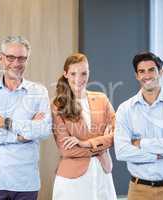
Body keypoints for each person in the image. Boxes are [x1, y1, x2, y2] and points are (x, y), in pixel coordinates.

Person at [0, 35, 52, 200]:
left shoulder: (39, 91)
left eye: (22, 58)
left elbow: (43, 130)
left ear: (27, 60)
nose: (16, 63)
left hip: (26, 180)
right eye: (11, 58)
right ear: (1, 59)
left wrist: (7, 122)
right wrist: (21, 136)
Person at [114, 52, 163, 200]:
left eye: (151, 70)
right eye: (142, 71)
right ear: (136, 75)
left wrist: (140, 143)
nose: (147, 75)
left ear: (160, 72)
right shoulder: (125, 109)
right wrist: (160, 153)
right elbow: (122, 151)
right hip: (138, 191)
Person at [52, 53, 117, 200]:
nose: (79, 79)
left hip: (103, 173)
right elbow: (66, 150)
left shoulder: (102, 99)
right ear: (66, 74)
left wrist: (84, 143)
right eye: (73, 73)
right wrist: (102, 143)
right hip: (72, 179)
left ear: (89, 73)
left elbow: (118, 134)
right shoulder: (58, 106)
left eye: (83, 73)